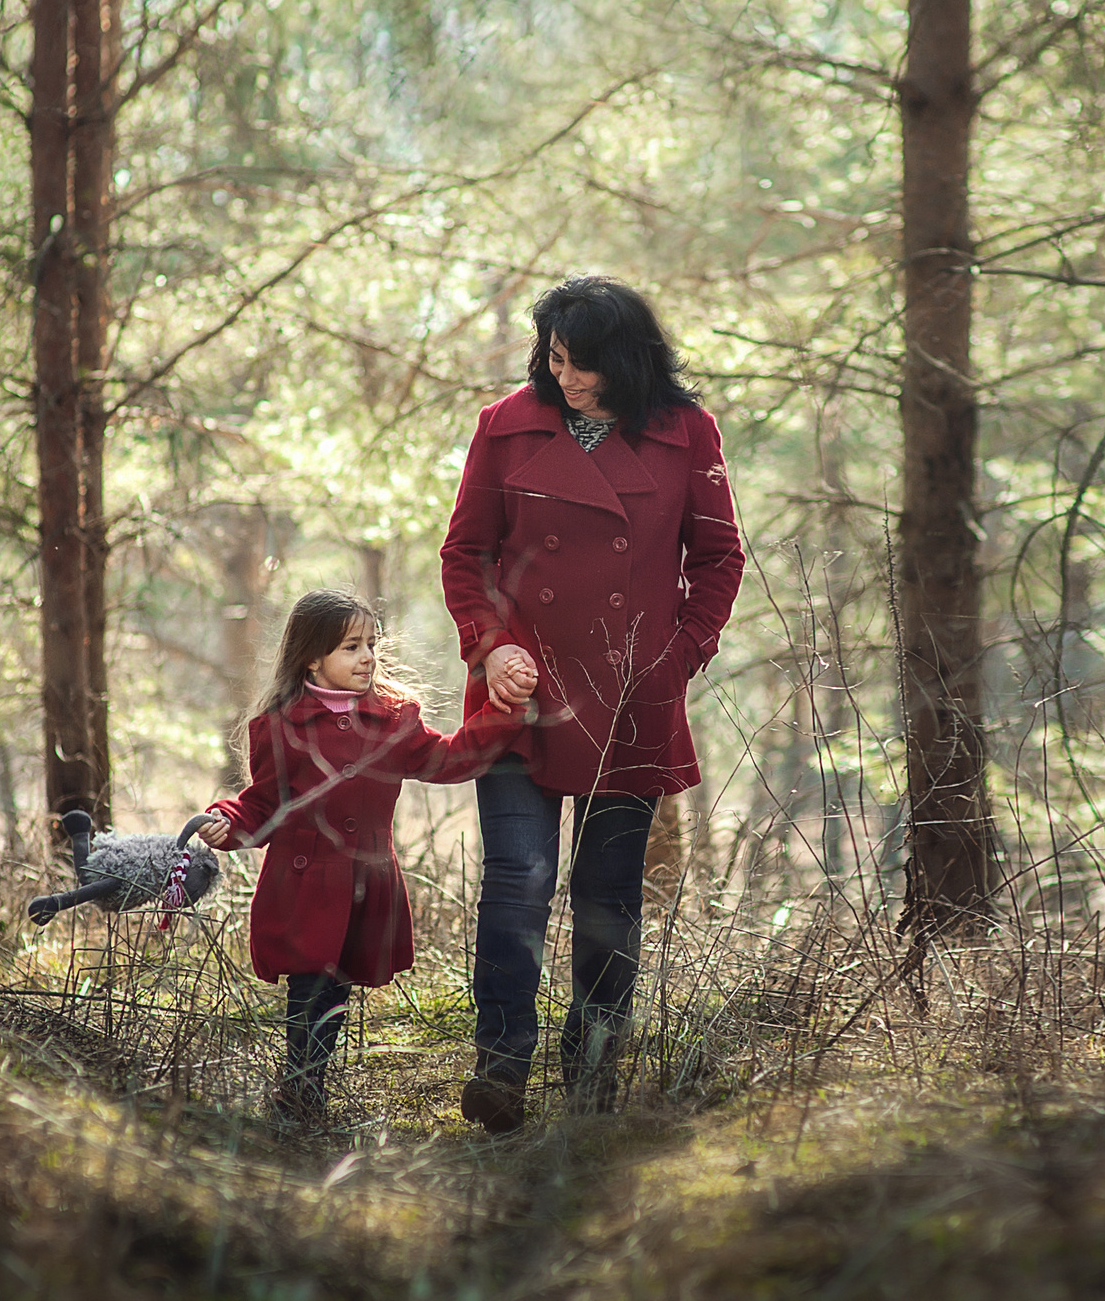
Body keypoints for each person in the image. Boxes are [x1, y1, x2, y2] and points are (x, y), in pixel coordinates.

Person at [440, 276, 745, 1132]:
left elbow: (719, 558)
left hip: (631, 695)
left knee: (608, 895)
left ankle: (593, 1076)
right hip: (519, 690)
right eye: (553, 359)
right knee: (516, 882)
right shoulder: (505, 426)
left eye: (580, 364)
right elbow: (466, 553)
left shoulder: (688, 432)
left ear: (625, 358)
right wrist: (492, 644)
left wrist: (678, 658)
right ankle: (500, 1065)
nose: (562, 375)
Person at [197, 588, 522, 1126]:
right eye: (351, 647)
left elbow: (449, 759)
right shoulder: (279, 726)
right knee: (310, 988)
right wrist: (226, 820)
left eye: (372, 644)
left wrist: (502, 713)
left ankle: (309, 1089)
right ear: (312, 657)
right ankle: (300, 1095)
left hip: (364, 882)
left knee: (334, 990)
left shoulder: (392, 720)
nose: (368, 656)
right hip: (302, 882)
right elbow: (263, 803)